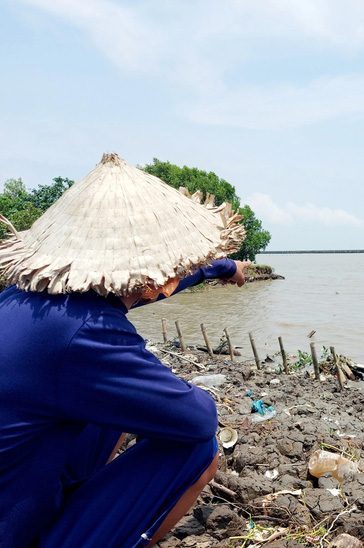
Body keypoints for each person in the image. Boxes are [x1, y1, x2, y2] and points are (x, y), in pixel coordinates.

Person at [0, 153, 249, 547]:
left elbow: (136, 294)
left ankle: (75, 501)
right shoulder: (86, 333)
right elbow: (198, 420)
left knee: (107, 402)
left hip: (19, 486)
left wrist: (215, 268)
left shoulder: (23, 296)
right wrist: (169, 388)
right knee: (198, 446)